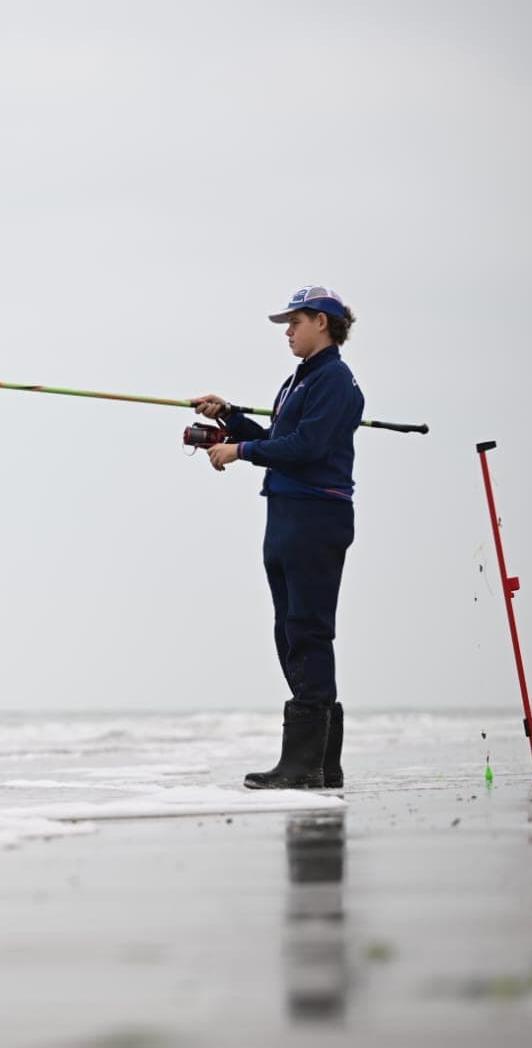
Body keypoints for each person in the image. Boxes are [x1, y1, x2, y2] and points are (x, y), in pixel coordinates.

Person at [193, 285, 364, 789]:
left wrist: (238, 452)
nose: (288, 331)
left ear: (323, 323)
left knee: (307, 629)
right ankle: (320, 765)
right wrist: (227, 418)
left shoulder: (335, 380)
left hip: (317, 515)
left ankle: (303, 765)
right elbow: (277, 440)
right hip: (287, 514)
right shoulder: (298, 382)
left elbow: (306, 447)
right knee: (289, 629)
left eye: (295, 322)